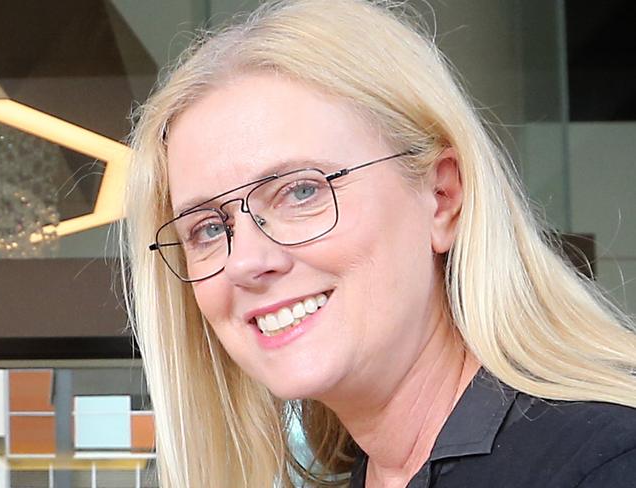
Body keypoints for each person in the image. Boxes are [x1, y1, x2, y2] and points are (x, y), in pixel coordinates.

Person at [121, 1, 636, 486]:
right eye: (208, 228)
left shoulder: (605, 465)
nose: (248, 261)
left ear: (442, 198)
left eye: (301, 191)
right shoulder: (369, 469)